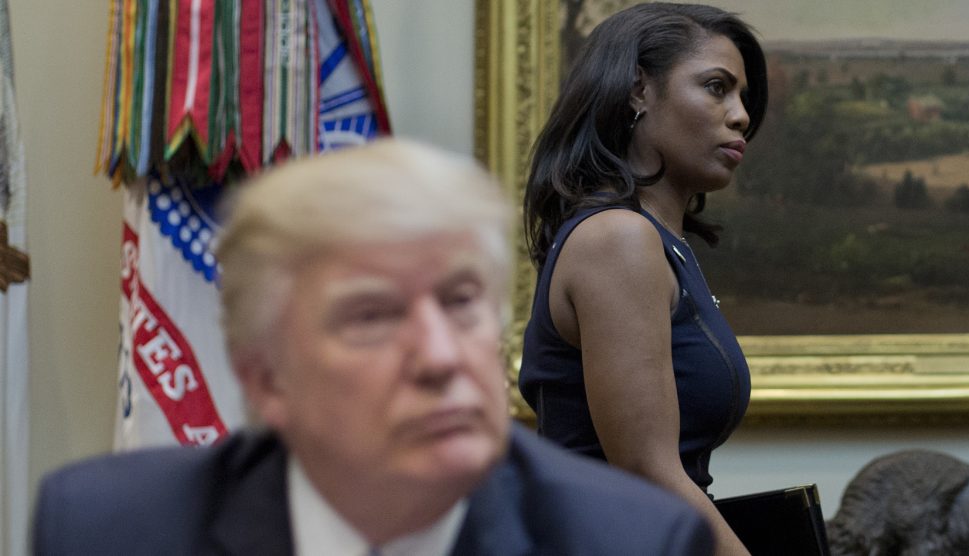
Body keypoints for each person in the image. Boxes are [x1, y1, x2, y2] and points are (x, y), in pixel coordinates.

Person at [32, 139, 715, 555]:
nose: (440, 357)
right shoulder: (111, 532)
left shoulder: (630, 542)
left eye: (460, 303)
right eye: (372, 317)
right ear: (267, 378)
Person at [518, 3, 768, 555]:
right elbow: (646, 470)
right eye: (716, 87)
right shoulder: (619, 239)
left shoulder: (655, 243)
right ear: (637, 91)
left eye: (743, 96)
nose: (741, 115)